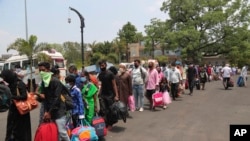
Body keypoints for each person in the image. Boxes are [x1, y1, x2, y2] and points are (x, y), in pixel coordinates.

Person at [38, 62, 70, 141]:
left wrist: (49, 112)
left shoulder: (55, 81)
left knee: (62, 132)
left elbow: (57, 98)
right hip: (50, 111)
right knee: (55, 132)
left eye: (43, 70)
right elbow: (45, 99)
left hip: (59, 110)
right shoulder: (44, 82)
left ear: (48, 70)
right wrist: (46, 111)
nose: (41, 72)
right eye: (40, 70)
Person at [1, 70, 32, 141]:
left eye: (5, 77)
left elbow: (24, 96)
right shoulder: (9, 85)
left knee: (21, 131)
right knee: (11, 129)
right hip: (13, 111)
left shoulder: (20, 83)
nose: (5, 79)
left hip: (21, 112)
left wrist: (13, 97)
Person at [97, 60, 119, 130]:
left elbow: (114, 85)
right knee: (104, 110)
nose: (101, 67)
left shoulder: (110, 74)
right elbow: (102, 85)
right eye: (100, 66)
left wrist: (116, 95)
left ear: (106, 65)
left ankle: (110, 124)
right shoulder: (100, 75)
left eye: (103, 65)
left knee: (110, 110)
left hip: (110, 95)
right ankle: (106, 123)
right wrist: (99, 93)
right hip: (103, 94)